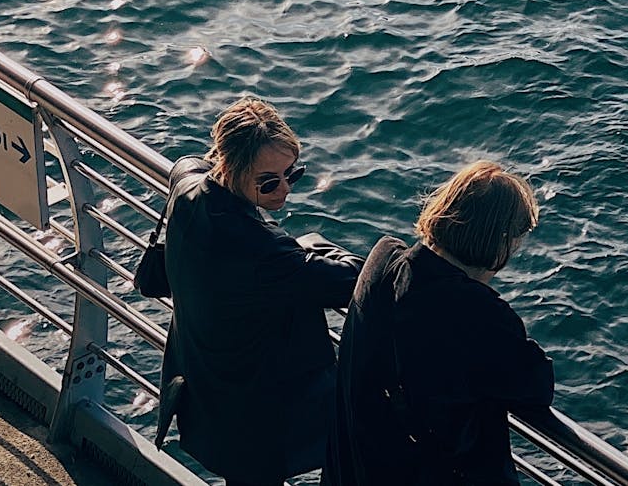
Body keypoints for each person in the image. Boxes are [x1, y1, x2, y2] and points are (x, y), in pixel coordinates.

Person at [155, 97, 364, 486]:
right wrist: (315, 247)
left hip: (208, 395)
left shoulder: (186, 194)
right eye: (269, 181)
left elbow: (187, 165)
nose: (284, 189)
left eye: (292, 173)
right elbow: (351, 280)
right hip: (259, 418)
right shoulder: (264, 251)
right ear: (231, 169)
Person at [324, 161, 552, 486]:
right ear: (499, 239)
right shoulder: (481, 313)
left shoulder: (384, 260)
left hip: (355, 469)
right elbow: (536, 385)